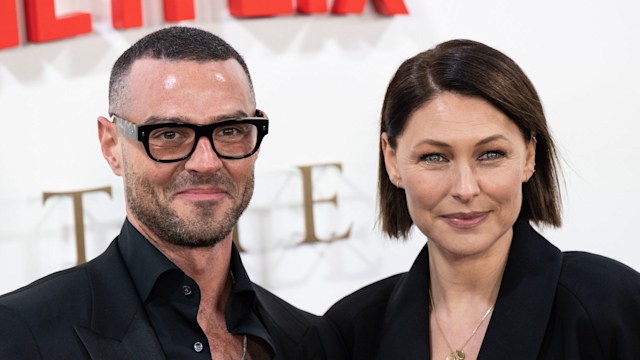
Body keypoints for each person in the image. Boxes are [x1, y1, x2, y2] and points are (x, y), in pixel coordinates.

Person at [0, 26, 344, 360]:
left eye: (229, 130)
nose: (206, 162)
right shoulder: (23, 332)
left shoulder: (309, 339)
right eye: (168, 134)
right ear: (111, 145)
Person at [325, 39, 640, 359]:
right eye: (434, 157)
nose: (465, 189)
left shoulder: (612, 305)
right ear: (392, 160)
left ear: (529, 155)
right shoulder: (351, 330)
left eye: (491, 154)